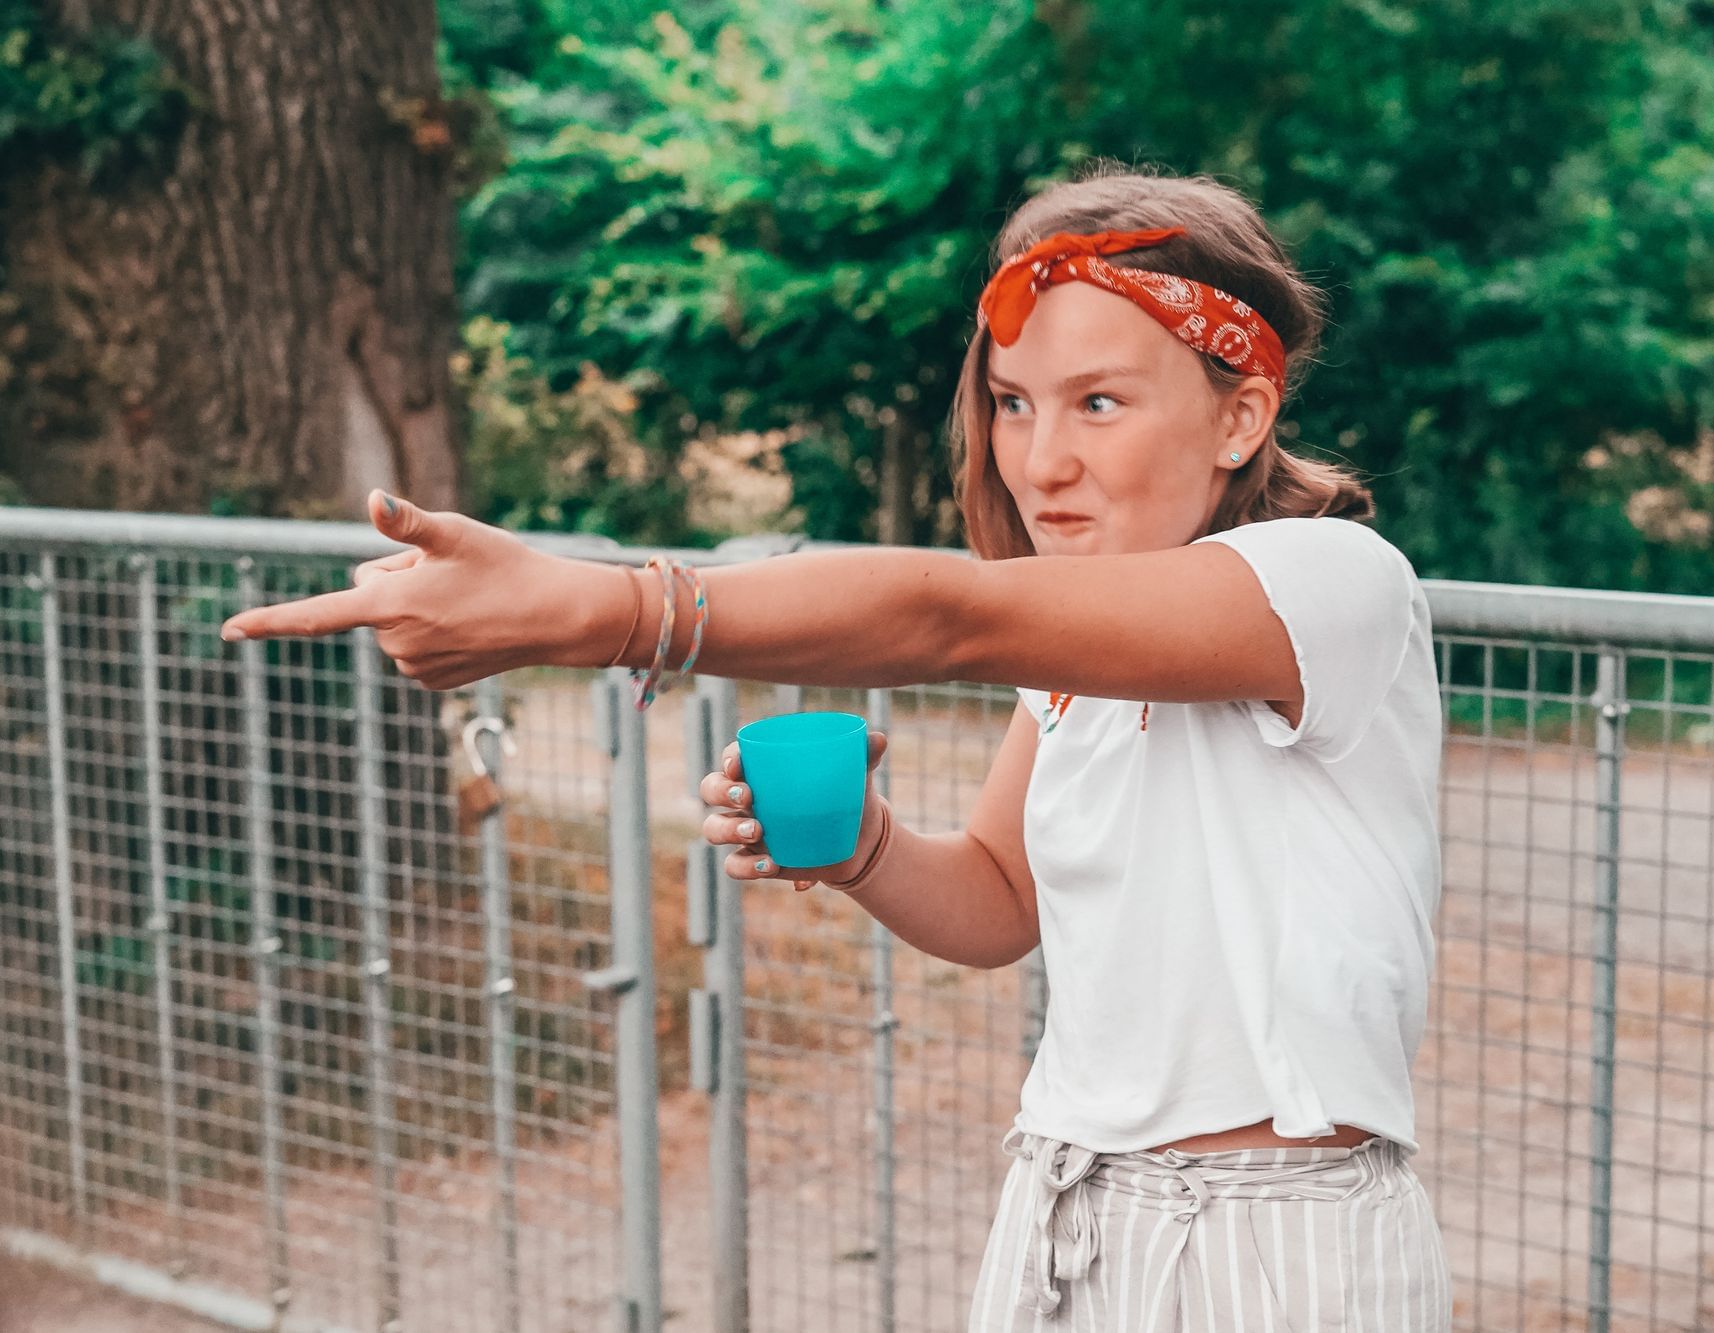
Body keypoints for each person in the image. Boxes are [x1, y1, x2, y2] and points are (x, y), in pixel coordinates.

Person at [222, 164, 1452, 1330]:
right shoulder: (1075, 653)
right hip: (1068, 1204)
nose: (1041, 460)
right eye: (1012, 404)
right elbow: (1000, 898)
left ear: (1241, 415)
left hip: (1268, 1235)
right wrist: (866, 848)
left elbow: (952, 617)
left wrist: (604, 610)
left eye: (1098, 402)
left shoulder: (1330, 584)